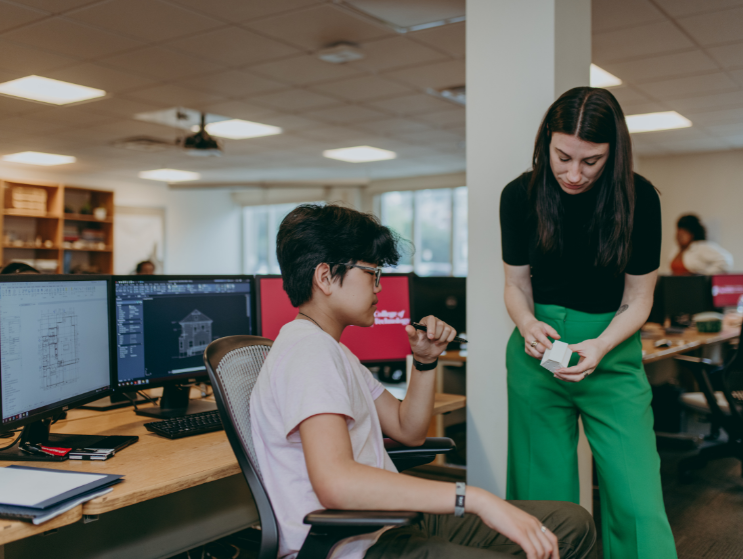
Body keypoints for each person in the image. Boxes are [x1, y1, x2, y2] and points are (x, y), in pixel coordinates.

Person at [251, 204, 596, 559]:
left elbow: (409, 429)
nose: (378, 288)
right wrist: (473, 499)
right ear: (325, 277)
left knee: (569, 522)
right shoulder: (308, 353)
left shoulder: (333, 351)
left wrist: (425, 360)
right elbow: (336, 484)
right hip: (354, 545)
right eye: (372, 273)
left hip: (387, 524)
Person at [500, 87, 676, 559]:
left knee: (637, 501)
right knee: (544, 505)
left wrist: (599, 346)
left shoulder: (639, 198)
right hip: (538, 356)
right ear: (546, 144)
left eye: (591, 161)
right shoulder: (519, 195)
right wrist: (525, 323)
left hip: (611, 349)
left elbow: (640, 298)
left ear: (613, 154)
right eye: (563, 157)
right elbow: (516, 285)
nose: (574, 174)